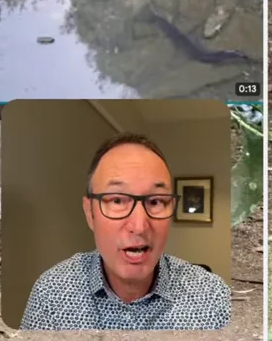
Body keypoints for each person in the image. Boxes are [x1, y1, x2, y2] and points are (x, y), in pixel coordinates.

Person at [20, 133, 231, 330]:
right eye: (118, 200)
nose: (139, 227)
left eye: (156, 201)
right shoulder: (50, 295)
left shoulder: (213, 298)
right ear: (89, 213)